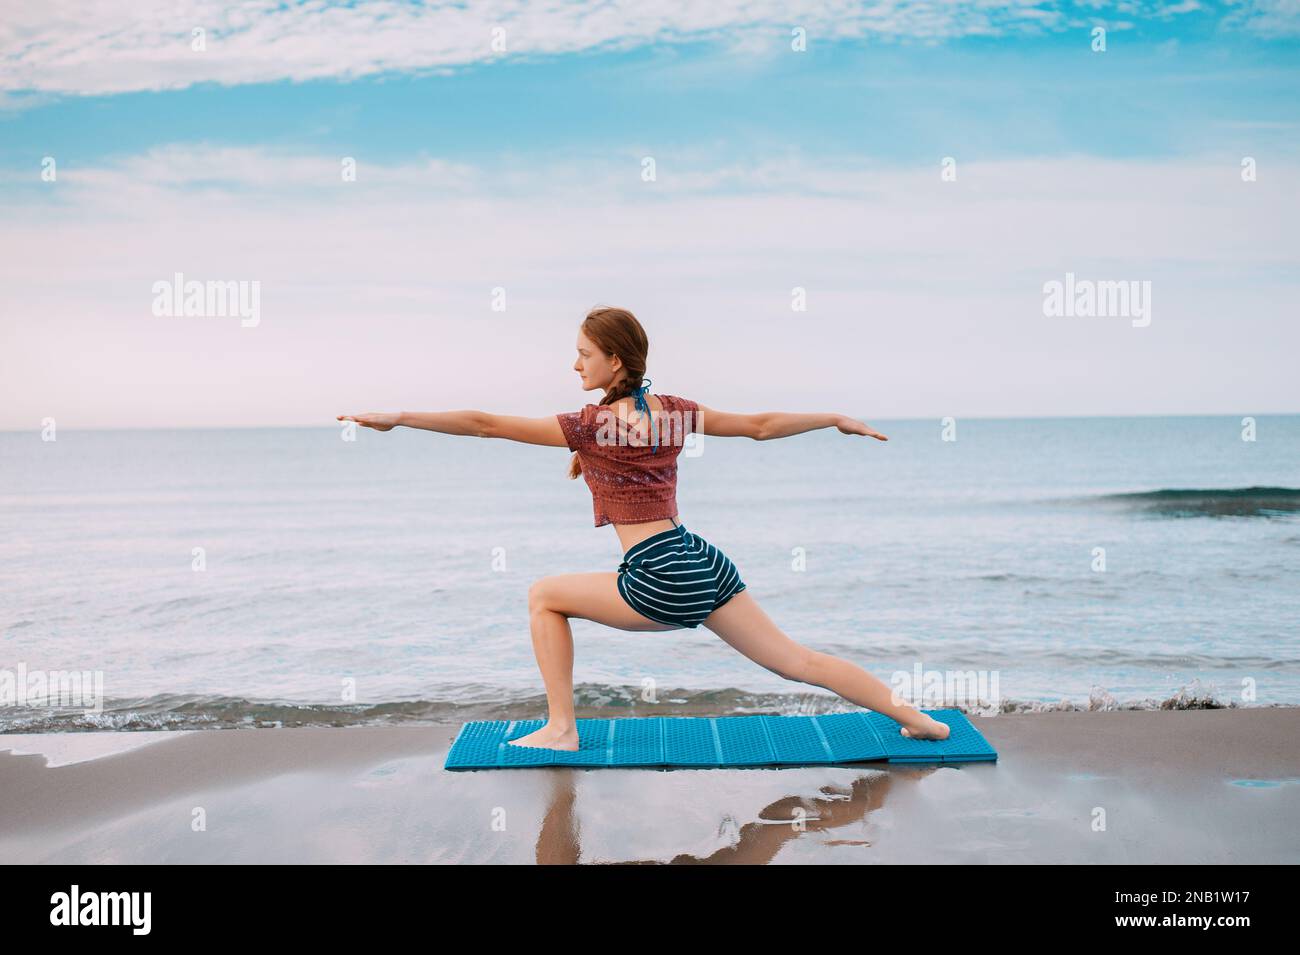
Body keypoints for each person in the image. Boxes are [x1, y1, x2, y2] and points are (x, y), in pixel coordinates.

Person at [338, 305, 950, 751]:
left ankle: (560, 729)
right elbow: (761, 425)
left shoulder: (589, 425)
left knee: (543, 597)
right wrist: (833, 417)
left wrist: (399, 417)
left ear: (615, 360)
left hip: (659, 572)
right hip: (700, 559)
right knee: (797, 660)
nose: (574, 363)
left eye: (583, 353)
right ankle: (921, 721)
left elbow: (484, 424)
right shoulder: (674, 412)